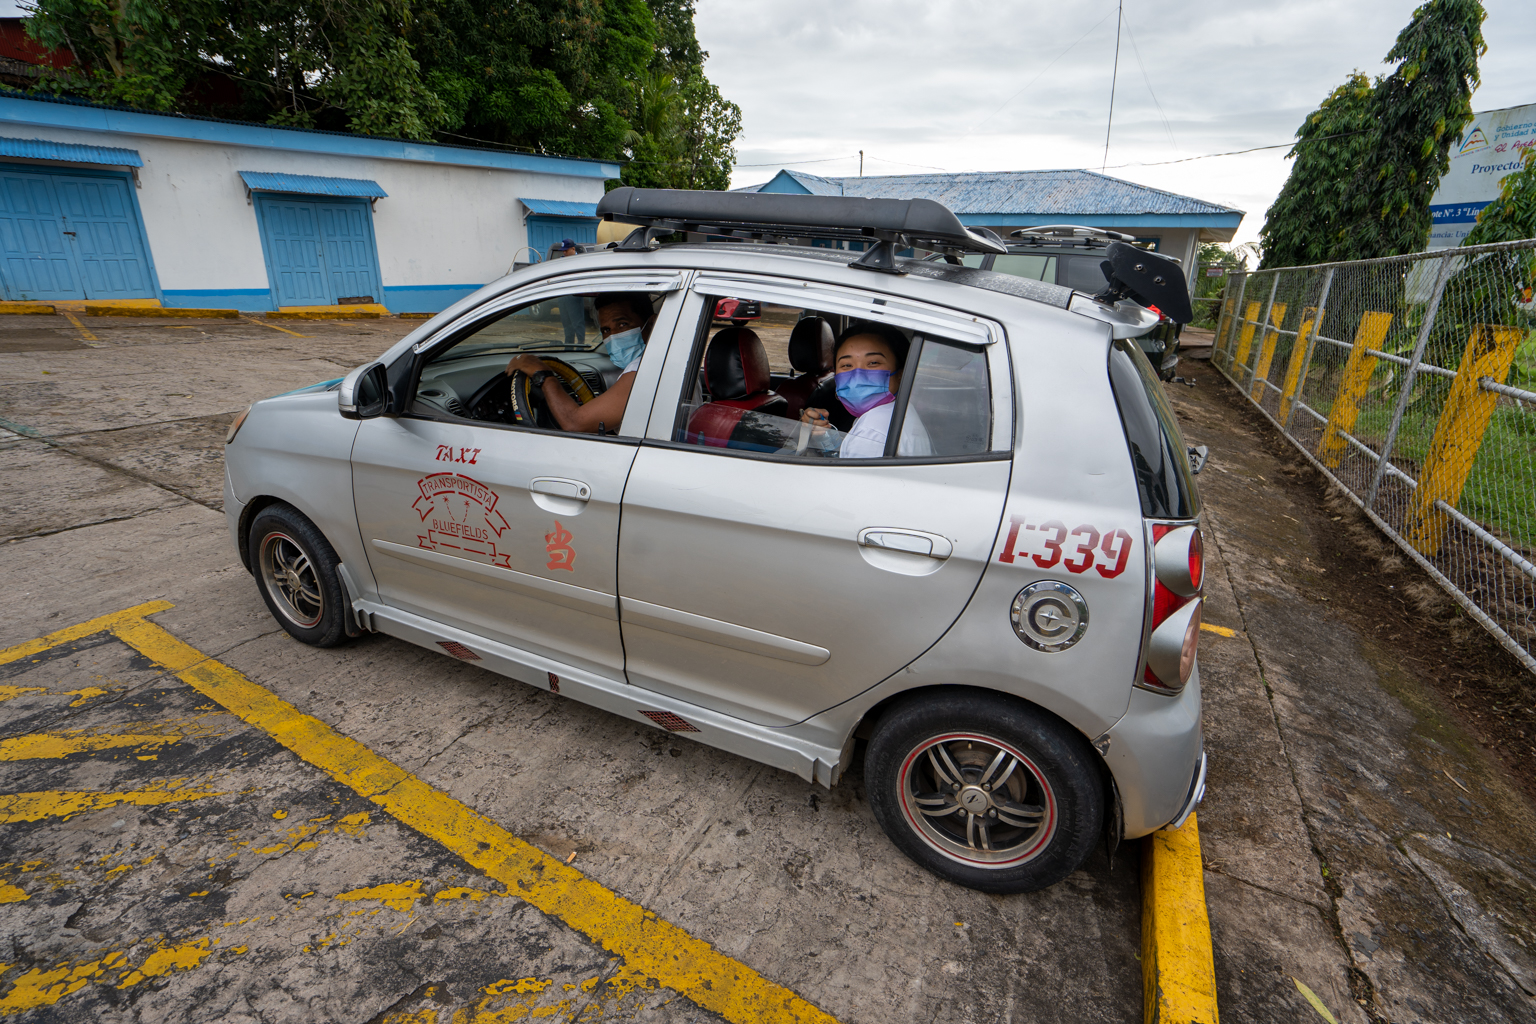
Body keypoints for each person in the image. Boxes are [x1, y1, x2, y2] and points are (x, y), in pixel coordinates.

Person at [504, 292, 656, 434]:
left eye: (622, 324)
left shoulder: (644, 371)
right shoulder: (657, 362)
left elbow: (575, 423)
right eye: (606, 330)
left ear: (651, 325)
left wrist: (541, 374)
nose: (613, 336)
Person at [798, 321, 932, 458]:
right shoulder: (898, 413)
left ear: (901, 374)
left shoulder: (872, 433)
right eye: (847, 365)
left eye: (873, 363)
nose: (857, 376)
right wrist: (825, 436)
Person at [553, 240, 587, 346]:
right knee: (566, 323)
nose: (564, 253)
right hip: (562, 295)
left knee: (577, 322)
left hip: (574, 295)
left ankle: (580, 345)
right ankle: (568, 345)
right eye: (563, 251)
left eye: (566, 250)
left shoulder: (580, 261)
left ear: (573, 249)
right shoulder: (561, 261)